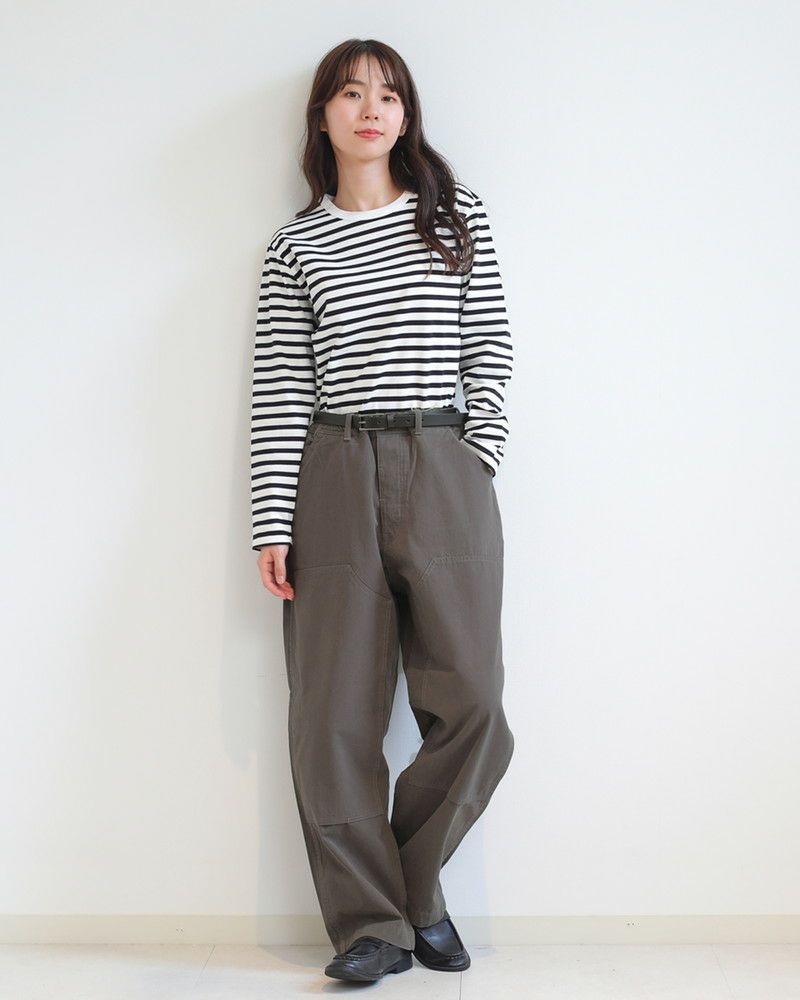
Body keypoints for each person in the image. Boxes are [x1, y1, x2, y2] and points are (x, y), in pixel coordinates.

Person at [250, 37, 515, 984]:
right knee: (332, 714)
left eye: (390, 95)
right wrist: (272, 519)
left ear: (407, 117)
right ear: (322, 115)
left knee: (473, 700)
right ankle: (372, 927)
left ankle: (414, 890)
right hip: (332, 468)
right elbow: (281, 387)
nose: (372, 109)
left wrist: (477, 456)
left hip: (442, 463)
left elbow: (489, 346)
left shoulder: (453, 217)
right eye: (352, 93)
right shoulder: (296, 246)